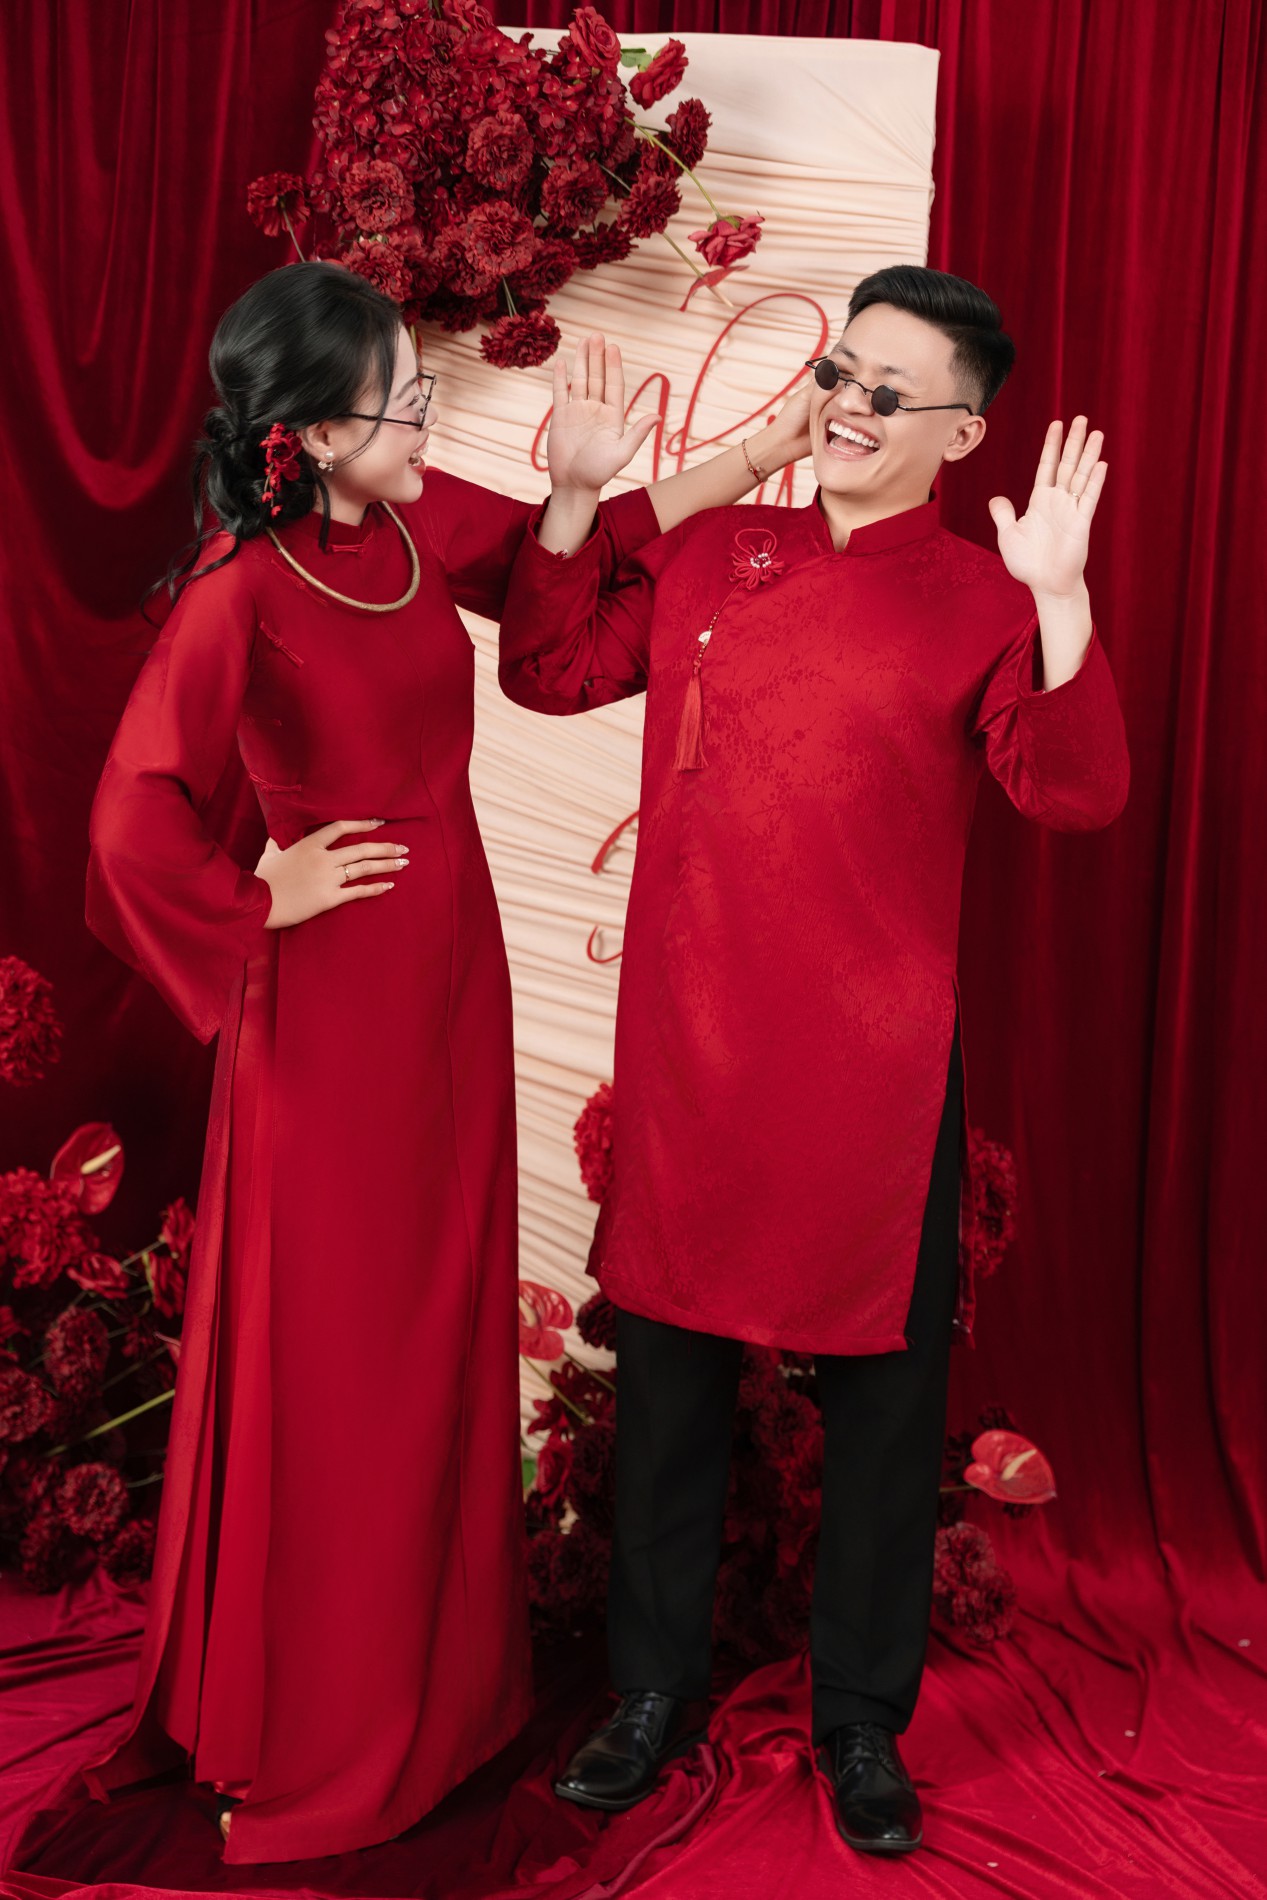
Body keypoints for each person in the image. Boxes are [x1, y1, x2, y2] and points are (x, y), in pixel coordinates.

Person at [80, 260, 809, 1865]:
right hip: (330, 1013)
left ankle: (444, 1700)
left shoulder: (413, 527)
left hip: (451, 983)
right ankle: (316, 1720)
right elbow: (131, 810)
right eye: (403, 395)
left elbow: (582, 564)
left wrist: (684, 470)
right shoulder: (241, 590)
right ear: (313, 431)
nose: (429, 413)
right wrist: (255, 894)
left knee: (437, 1322)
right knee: (344, 1342)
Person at [497, 266, 1129, 1857]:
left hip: (880, 1079)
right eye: (844, 371)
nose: (850, 406)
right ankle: (650, 1692)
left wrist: (1062, 599)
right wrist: (581, 500)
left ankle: (859, 1720)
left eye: (890, 393)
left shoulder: (984, 602)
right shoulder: (721, 549)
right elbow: (549, 665)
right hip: (695, 1051)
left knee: (886, 1421)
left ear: (962, 435)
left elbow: (1075, 793)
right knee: (668, 1397)